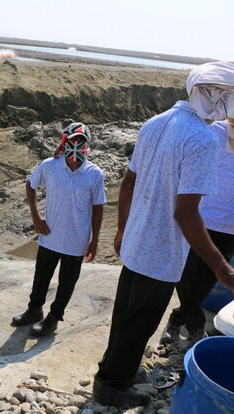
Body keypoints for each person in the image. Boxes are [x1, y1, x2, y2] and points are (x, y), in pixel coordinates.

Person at [93, 61, 234, 408]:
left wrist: (123, 228)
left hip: (138, 240)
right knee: (141, 322)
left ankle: (114, 370)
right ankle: (112, 387)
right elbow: (185, 213)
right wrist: (221, 267)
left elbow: (129, 182)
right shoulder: (202, 138)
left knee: (124, 315)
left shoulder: (156, 122)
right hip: (162, 250)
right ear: (216, 96)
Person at [12, 122, 106, 336]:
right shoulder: (50, 166)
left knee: (66, 282)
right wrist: (36, 216)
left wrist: (94, 239)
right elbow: (31, 185)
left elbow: (98, 207)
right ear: (65, 142)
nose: (77, 145)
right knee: (41, 277)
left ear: (87, 145)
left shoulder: (94, 174)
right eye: (73, 141)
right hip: (50, 236)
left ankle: (54, 318)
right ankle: (34, 310)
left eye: (81, 142)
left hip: (76, 240)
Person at [162, 118, 234, 343]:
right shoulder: (215, 131)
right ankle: (196, 326)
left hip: (230, 227)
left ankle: (177, 318)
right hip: (200, 218)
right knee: (183, 275)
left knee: (207, 284)